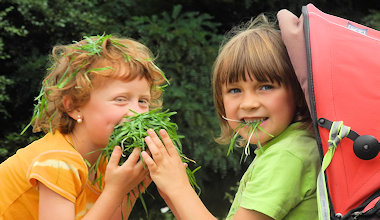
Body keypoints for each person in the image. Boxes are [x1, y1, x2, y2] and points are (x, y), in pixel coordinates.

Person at [141, 13, 321, 220]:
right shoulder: (290, 147)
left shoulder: (287, 156)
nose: (249, 104)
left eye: (265, 87)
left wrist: (179, 187)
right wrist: (169, 189)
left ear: (298, 93)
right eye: (235, 90)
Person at [0, 34, 167, 219]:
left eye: (143, 101)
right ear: (73, 106)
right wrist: (114, 191)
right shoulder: (58, 162)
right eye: (120, 99)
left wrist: (130, 191)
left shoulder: (103, 163)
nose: (137, 112)